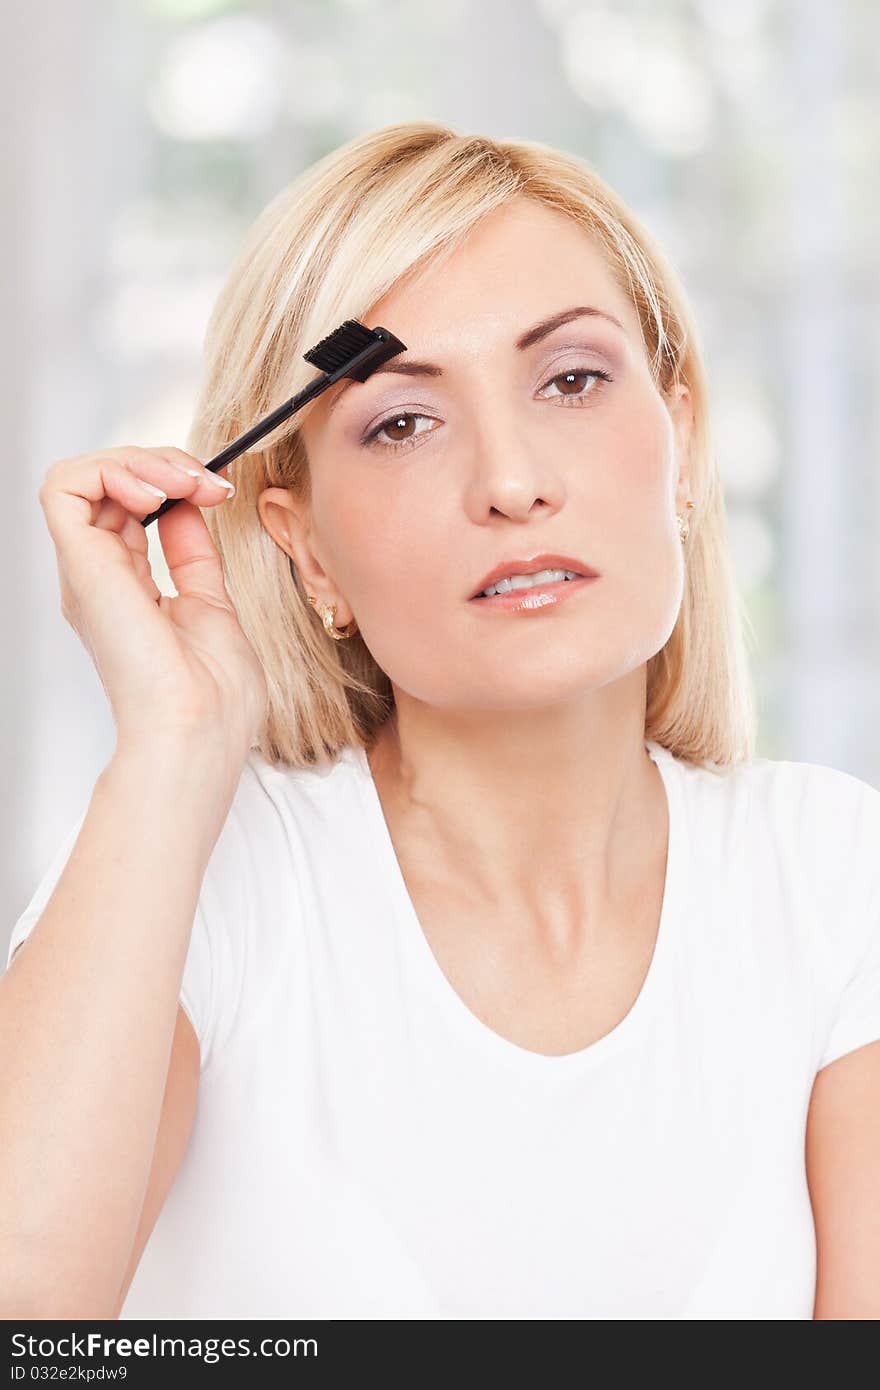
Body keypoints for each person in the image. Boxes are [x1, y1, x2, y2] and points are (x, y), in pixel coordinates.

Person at [3, 122, 878, 1322]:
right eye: (402, 421)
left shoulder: (833, 878)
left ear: (680, 442)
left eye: (570, 378)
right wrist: (172, 739)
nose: (511, 480)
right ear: (302, 544)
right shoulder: (200, 875)